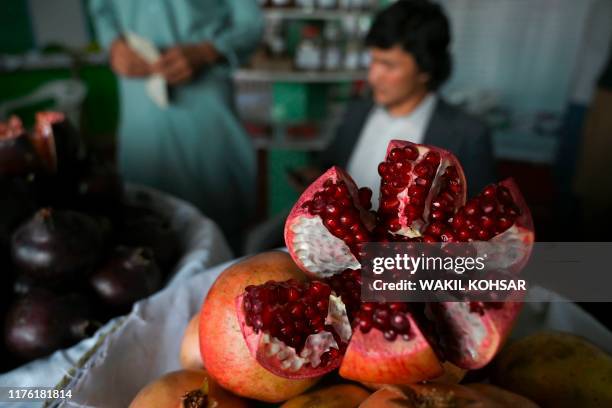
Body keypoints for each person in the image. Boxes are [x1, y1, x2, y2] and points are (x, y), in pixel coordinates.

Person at [88, 0, 264, 249]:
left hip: (204, 114)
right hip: (139, 115)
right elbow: (101, 9)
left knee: (219, 236)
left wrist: (207, 51)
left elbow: (251, 23)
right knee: (141, 231)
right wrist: (115, 45)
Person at [294, 0, 495, 199]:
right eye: (373, 60)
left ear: (426, 68)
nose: (373, 76)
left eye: (389, 65)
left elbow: (476, 217)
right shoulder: (354, 113)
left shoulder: (468, 136)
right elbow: (329, 167)